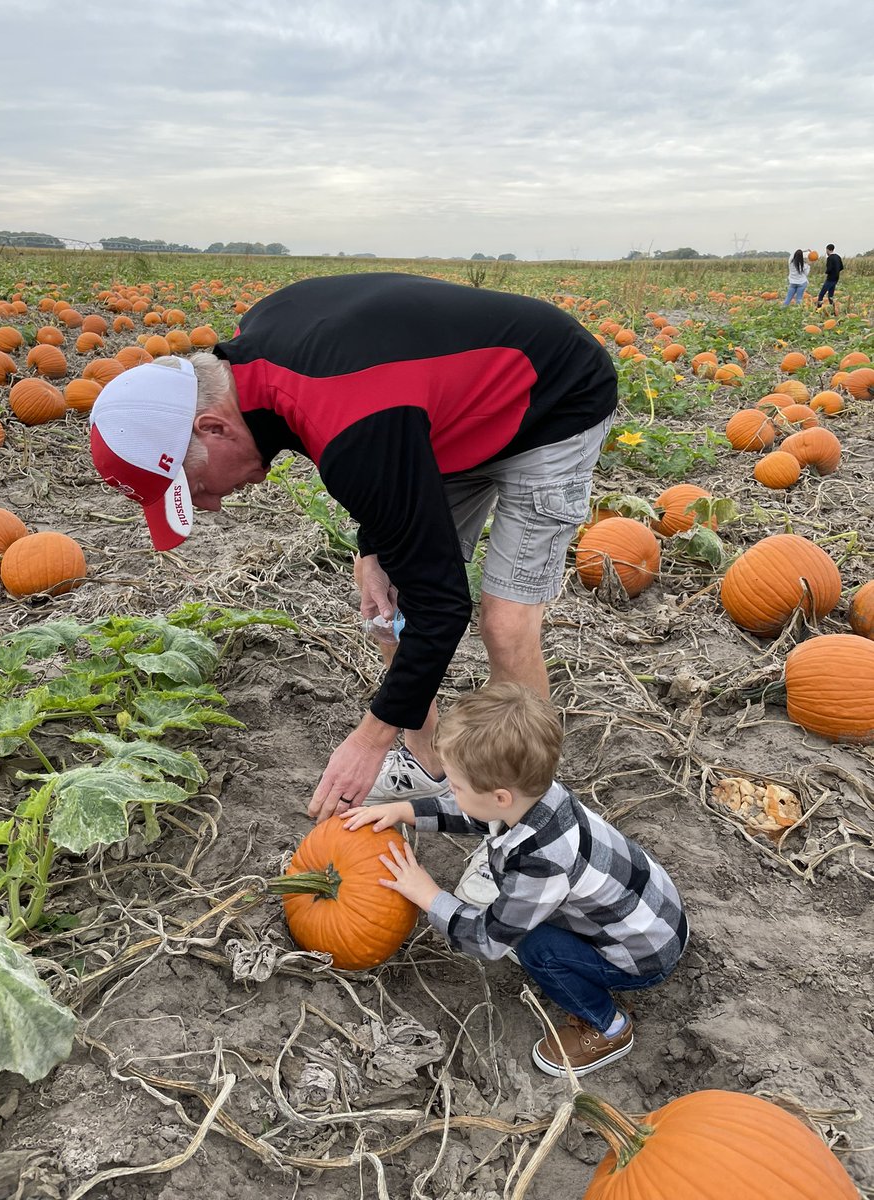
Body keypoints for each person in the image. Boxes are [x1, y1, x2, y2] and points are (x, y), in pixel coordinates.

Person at [88, 273, 618, 824]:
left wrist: (369, 739)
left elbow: (443, 603)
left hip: (551, 394)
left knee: (505, 623)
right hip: (436, 418)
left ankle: (531, 820)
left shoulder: (346, 423)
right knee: (389, 604)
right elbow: (385, 417)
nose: (213, 504)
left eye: (195, 487)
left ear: (213, 426)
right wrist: (373, 549)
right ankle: (431, 763)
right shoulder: (254, 364)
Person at [341, 683, 688, 1077]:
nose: (451, 792)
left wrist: (428, 894)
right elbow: (473, 811)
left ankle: (608, 1027)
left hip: (642, 957)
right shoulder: (539, 796)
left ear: (501, 796)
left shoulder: (542, 862)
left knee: (535, 947)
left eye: (455, 785)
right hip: (658, 916)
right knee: (525, 917)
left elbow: (488, 940)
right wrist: (404, 810)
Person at [816, 244, 844, 312]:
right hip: (836, 278)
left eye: (826, 250)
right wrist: (836, 272)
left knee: (821, 294)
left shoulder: (830, 258)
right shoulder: (838, 257)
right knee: (830, 294)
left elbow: (829, 269)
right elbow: (841, 267)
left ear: (828, 250)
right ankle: (833, 309)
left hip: (830, 278)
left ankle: (818, 309)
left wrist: (826, 273)